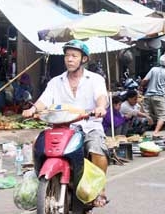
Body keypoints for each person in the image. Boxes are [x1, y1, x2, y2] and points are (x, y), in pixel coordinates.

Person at [22, 39, 109, 207]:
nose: (69, 59)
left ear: (83, 59)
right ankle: (41, 182)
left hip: (89, 125)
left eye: (74, 56)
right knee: (37, 144)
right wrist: (33, 109)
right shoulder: (56, 81)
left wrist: (100, 107)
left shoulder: (95, 79)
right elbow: (43, 101)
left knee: (97, 149)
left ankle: (100, 189)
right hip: (62, 127)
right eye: (67, 55)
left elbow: (101, 97)